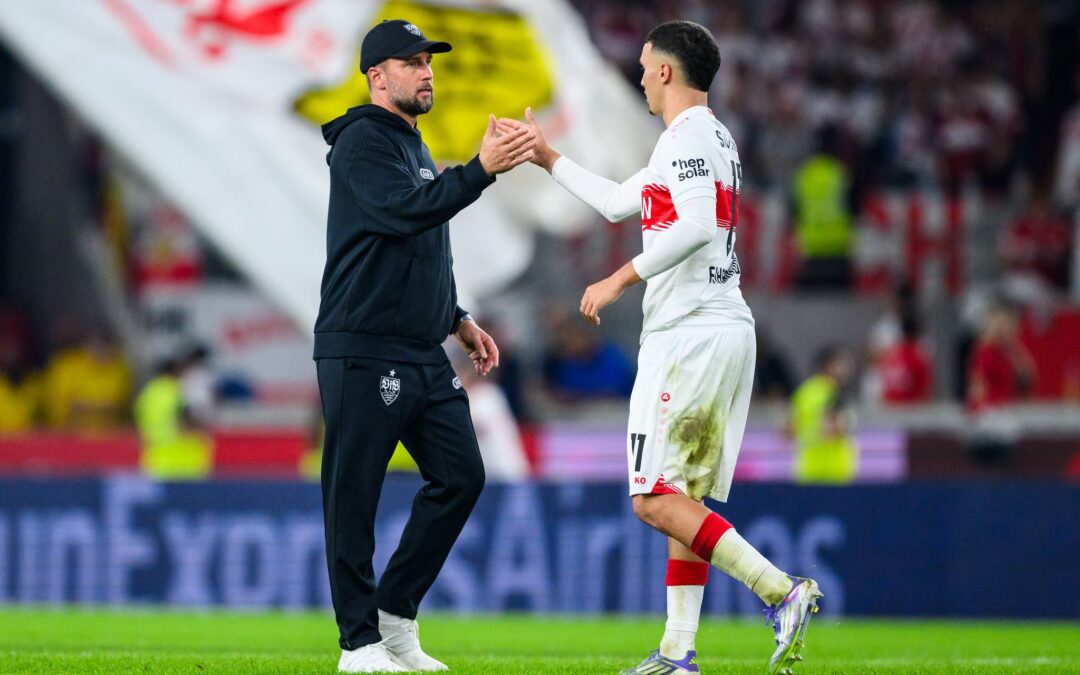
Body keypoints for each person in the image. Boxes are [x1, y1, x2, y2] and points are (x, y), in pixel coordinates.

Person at [517, 20, 821, 675]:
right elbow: (618, 203)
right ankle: (679, 652)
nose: (638, 76)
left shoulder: (687, 139)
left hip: (689, 332)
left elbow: (696, 225)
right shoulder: (703, 141)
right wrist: (547, 157)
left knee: (653, 496)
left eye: (644, 66)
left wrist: (622, 277)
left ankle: (780, 588)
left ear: (664, 72)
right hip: (718, 326)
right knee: (683, 498)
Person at [313, 19, 535, 674]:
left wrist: (457, 318)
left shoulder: (410, 142)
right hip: (363, 345)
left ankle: (394, 616)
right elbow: (408, 213)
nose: (426, 70)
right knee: (353, 494)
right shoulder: (361, 142)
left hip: (418, 349)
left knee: (462, 474)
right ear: (376, 76)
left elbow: (420, 242)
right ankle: (357, 644)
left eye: (428, 61)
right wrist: (482, 171)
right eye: (411, 62)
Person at [790, 346, 859, 483]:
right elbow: (833, 428)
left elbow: (789, 429)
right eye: (841, 364)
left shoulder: (804, 392)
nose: (845, 369)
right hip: (834, 471)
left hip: (808, 469)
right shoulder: (833, 394)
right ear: (828, 365)